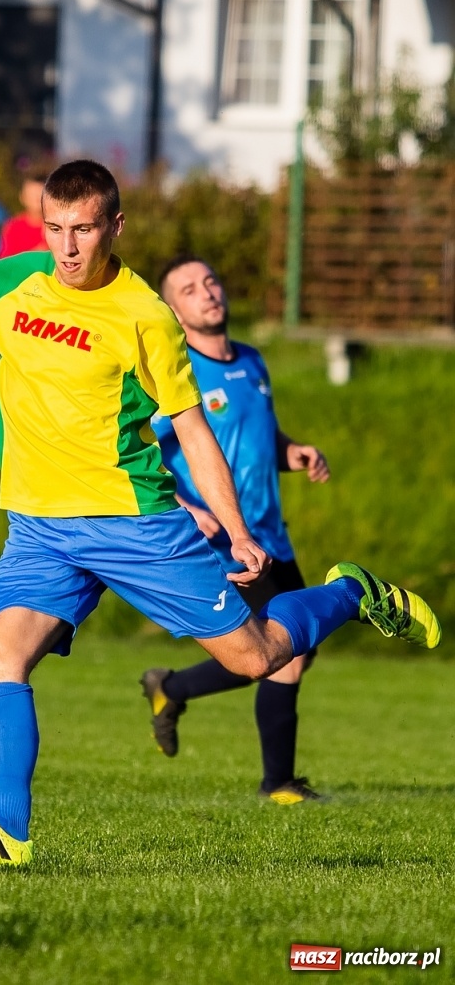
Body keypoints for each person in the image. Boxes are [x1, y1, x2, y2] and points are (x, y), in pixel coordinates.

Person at [0, 160, 439, 867]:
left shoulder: (145, 317)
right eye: (55, 228)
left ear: (115, 227)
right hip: (39, 527)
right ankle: (4, 829)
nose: (66, 247)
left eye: (82, 230)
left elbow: (192, 429)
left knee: (256, 656)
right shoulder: (16, 281)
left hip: (133, 524)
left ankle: (352, 592)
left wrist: (236, 529)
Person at [140, 256, 332, 804]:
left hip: (272, 535)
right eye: (189, 289)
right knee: (286, 651)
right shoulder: (176, 373)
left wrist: (291, 451)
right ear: (173, 310)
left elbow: (263, 438)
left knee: (293, 648)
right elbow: (133, 452)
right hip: (226, 542)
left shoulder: (251, 361)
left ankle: (170, 688)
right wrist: (182, 506)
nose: (207, 293)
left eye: (211, 282)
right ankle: (279, 784)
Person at [0, 171, 49, 258]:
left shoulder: (59, 225)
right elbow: (4, 262)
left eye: (40, 194)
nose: (36, 199)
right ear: (22, 197)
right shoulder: (13, 226)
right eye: (32, 194)